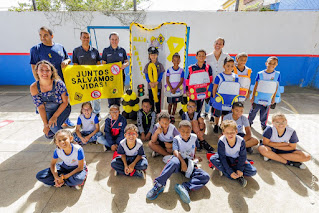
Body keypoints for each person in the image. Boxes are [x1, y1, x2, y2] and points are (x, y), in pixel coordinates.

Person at [146, 120, 210, 203]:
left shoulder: (194, 137)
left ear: (191, 130)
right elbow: (175, 152)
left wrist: (194, 158)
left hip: (189, 163)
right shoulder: (177, 139)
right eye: (183, 131)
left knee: (205, 176)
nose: (185, 133)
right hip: (179, 161)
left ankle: (185, 187)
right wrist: (183, 162)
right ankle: (159, 184)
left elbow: (195, 148)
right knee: (174, 162)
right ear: (179, 130)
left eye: (188, 131)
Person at [30, 26, 74, 128]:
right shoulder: (36, 49)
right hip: (47, 84)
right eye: (40, 35)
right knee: (48, 105)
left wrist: (66, 61)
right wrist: (39, 82)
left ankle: (65, 120)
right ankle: (48, 124)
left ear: (52, 36)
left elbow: (68, 58)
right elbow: (33, 66)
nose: (42, 37)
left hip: (61, 82)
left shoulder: (59, 47)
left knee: (63, 102)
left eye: (45, 35)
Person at [30, 60, 71, 139]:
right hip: (48, 110)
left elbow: (65, 102)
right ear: (37, 72)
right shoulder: (34, 87)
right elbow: (40, 107)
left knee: (53, 127)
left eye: (47, 70)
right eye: (41, 70)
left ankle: (71, 140)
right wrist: (45, 124)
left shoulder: (59, 83)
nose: (44, 73)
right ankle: (60, 133)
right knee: (48, 134)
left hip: (62, 108)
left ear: (52, 72)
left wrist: (55, 116)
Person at [209, 120, 257, 187]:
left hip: (236, 159)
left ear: (236, 131)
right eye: (227, 132)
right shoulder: (221, 141)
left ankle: (229, 172)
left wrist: (240, 169)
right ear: (223, 133)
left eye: (232, 132)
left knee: (253, 171)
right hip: (226, 158)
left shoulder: (241, 141)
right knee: (213, 159)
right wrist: (230, 171)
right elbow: (222, 157)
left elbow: (242, 156)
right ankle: (233, 174)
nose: (230, 134)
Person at [73, 31, 102, 118]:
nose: (86, 39)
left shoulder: (95, 51)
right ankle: (86, 113)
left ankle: (96, 113)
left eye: (87, 37)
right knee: (86, 98)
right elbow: (75, 66)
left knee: (97, 97)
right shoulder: (76, 51)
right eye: (84, 37)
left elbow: (99, 65)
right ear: (80, 38)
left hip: (94, 79)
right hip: (83, 79)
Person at [248, 56, 280, 130]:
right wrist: (252, 97)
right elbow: (256, 86)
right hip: (258, 97)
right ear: (266, 63)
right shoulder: (260, 74)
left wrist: (274, 98)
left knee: (264, 113)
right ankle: (249, 122)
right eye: (270, 63)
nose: (271, 65)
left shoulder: (277, 74)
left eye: (274, 63)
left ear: (277, 64)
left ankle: (263, 124)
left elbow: (276, 87)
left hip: (268, 98)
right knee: (253, 112)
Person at [211, 57, 239, 133]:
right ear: (224, 66)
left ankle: (222, 125)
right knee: (218, 113)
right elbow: (215, 87)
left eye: (232, 66)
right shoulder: (219, 76)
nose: (230, 68)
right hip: (220, 98)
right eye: (228, 65)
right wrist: (214, 97)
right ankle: (216, 125)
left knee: (226, 113)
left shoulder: (236, 77)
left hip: (230, 98)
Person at [205, 37, 230, 122]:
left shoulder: (226, 56)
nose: (218, 45)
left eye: (220, 43)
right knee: (209, 99)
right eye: (216, 43)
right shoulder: (208, 57)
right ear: (213, 44)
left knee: (218, 100)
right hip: (210, 82)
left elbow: (232, 66)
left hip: (221, 83)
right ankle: (206, 112)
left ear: (223, 45)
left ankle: (213, 115)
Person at [102, 32, 129, 107]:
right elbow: (103, 64)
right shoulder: (106, 50)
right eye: (112, 39)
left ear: (118, 40)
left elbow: (127, 62)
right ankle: (111, 111)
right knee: (110, 95)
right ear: (109, 40)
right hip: (110, 78)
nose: (114, 41)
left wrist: (125, 65)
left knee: (118, 95)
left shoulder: (122, 50)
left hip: (120, 77)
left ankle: (117, 111)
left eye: (116, 39)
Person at [186, 49, 213, 114]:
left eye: (203, 56)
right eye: (199, 55)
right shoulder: (192, 68)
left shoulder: (208, 68)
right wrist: (187, 90)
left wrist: (209, 91)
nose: (201, 57)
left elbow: (210, 80)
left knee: (199, 108)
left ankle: (197, 119)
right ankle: (190, 120)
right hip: (193, 91)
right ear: (196, 57)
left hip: (202, 91)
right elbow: (188, 80)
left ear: (205, 57)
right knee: (191, 106)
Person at [144, 47, 165, 113]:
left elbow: (161, 75)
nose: (153, 56)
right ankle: (152, 113)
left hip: (158, 86)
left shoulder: (160, 65)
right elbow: (146, 75)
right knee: (151, 101)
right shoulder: (147, 65)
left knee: (158, 100)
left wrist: (157, 82)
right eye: (151, 55)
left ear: (157, 55)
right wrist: (149, 82)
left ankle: (158, 113)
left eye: (155, 55)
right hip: (150, 86)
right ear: (149, 56)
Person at [165, 52, 184, 123]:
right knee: (170, 103)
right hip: (170, 90)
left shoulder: (181, 71)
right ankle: (169, 115)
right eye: (174, 60)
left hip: (177, 90)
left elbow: (181, 81)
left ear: (180, 61)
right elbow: (167, 80)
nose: (176, 62)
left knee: (175, 103)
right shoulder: (169, 70)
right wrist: (171, 88)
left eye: (178, 60)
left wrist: (175, 89)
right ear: (172, 61)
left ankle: (173, 116)